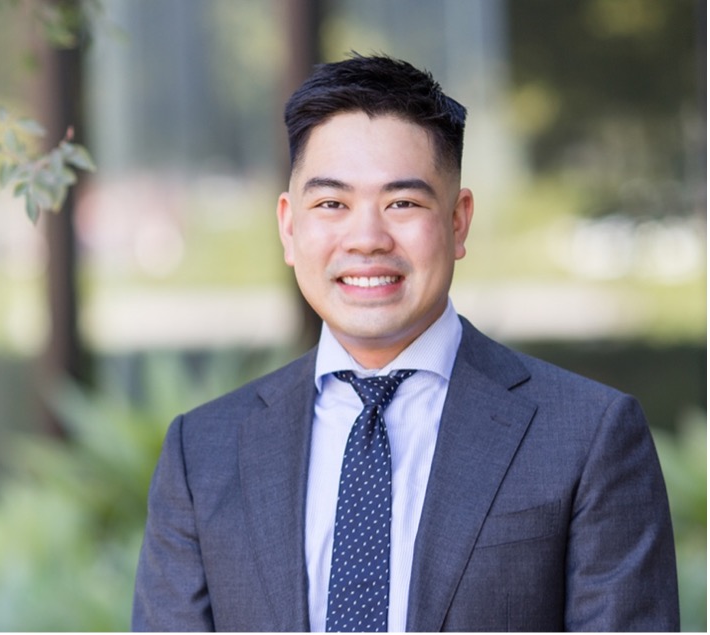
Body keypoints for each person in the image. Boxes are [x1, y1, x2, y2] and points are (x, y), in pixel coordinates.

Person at [131, 54, 679, 632]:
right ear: (290, 228)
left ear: (458, 220)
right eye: (332, 204)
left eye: (403, 203)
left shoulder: (589, 436)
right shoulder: (203, 452)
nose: (366, 239)